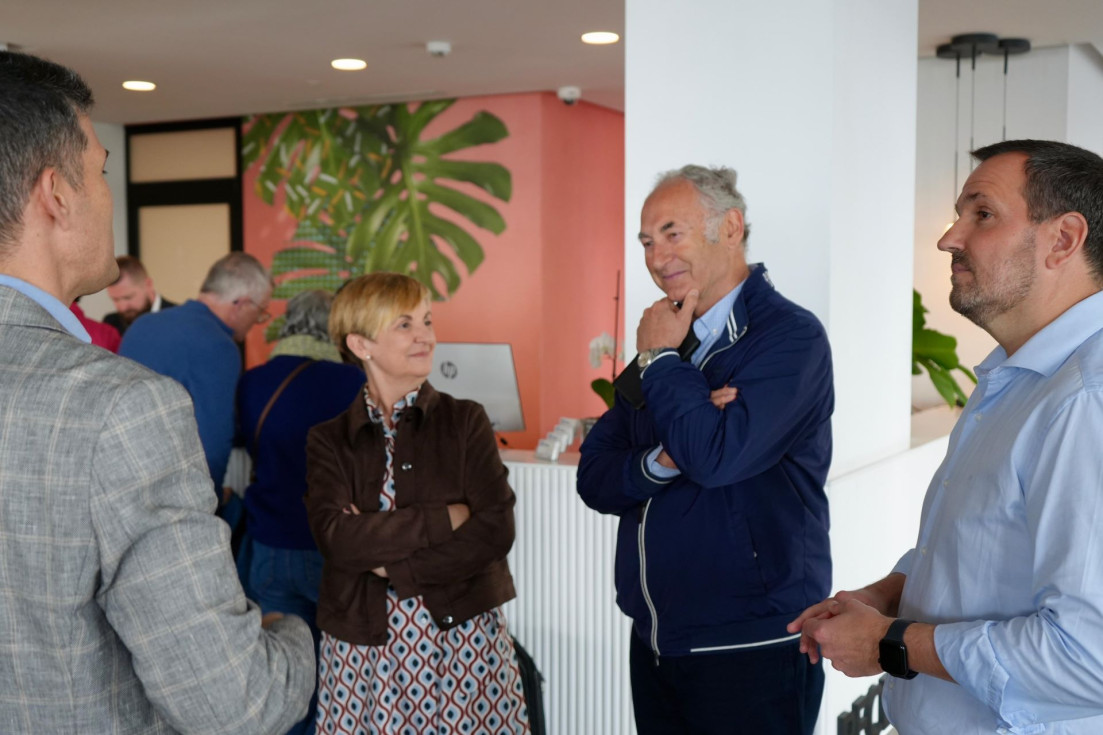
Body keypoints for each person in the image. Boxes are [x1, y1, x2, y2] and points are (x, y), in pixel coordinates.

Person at [0, 50, 314, 732]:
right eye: (102, 173)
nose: (109, 197)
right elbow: (233, 703)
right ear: (56, 194)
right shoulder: (120, 408)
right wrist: (293, 635)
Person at [789, 140, 1103, 734]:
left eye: (981, 214)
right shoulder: (1014, 379)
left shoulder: (1086, 401)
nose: (948, 238)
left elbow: (1088, 658)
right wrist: (885, 595)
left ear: (1063, 240)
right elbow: (980, 551)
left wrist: (891, 643)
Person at [577, 165, 834, 735]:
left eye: (672, 233)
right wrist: (664, 459)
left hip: (752, 644)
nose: (655, 255)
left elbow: (717, 459)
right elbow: (595, 476)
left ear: (731, 227)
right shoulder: (669, 336)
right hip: (657, 640)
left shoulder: (791, 337)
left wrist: (664, 363)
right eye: (646, 241)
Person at [305, 272, 530, 734]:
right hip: (363, 648)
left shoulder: (466, 421)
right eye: (404, 324)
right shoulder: (328, 440)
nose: (425, 335)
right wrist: (443, 519)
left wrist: (395, 567)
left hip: (462, 639)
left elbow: (494, 531)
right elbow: (337, 540)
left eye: (426, 321)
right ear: (361, 344)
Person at [237, 289, 365, 735]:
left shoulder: (253, 380)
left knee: (283, 673)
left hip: (269, 545)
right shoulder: (355, 384)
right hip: (332, 551)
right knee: (340, 673)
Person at [120, 251, 272, 502]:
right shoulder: (219, 345)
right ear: (242, 303)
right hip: (170, 497)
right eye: (260, 311)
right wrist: (210, 503)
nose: (258, 321)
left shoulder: (142, 326)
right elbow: (212, 444)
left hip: (120, 483)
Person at [104, 254, 176, 335]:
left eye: (128, 297)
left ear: (148, 284)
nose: (122, 307)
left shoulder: (180, 318)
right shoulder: (110, 323)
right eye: (115, 299)